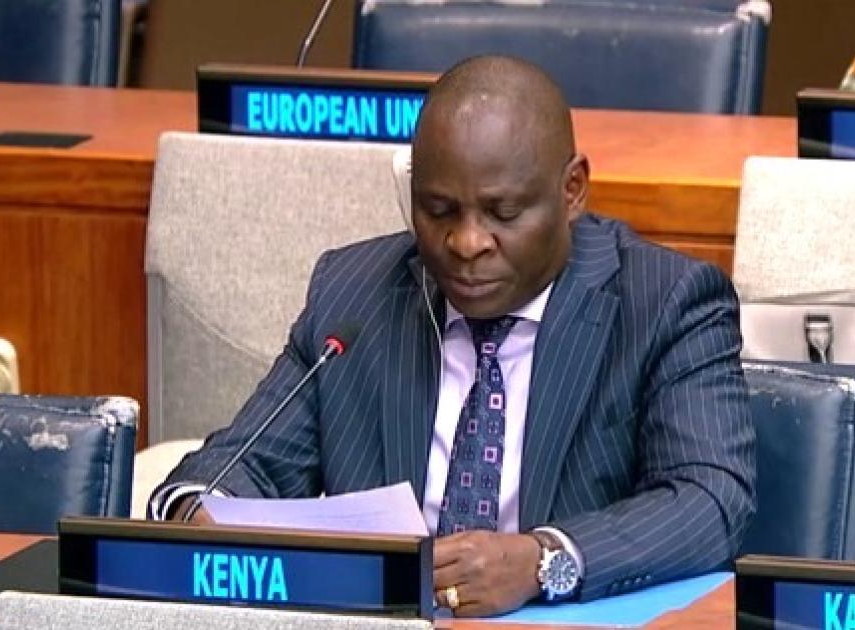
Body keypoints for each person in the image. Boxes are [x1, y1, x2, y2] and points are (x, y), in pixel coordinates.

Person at [150, 55, 755, 617]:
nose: (466, 243)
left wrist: (543, 559)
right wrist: (198, 512)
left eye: (503, 214)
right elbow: (244, 463)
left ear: (572, 190)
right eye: (439, 211)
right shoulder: (354, 294)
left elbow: (709, 500)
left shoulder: (663, 302)